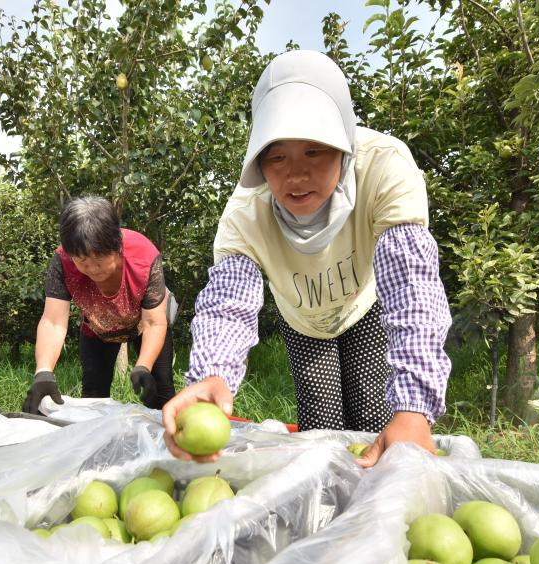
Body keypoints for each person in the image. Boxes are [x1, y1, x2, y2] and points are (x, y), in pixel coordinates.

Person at [162, 50, 452, 466]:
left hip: (361, 309)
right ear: (259, 161)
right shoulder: (247, 212)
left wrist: (414, 408)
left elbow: (412, 286)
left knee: (376, 417)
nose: (295, 174)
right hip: (302, 321)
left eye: (315, 151)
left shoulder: (383, 168)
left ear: (344, 146)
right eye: (277, 156)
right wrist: (213, 374)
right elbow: (228, 305)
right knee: (320, 429)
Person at [22, 196, 175, 414]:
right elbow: (53, 321)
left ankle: (166, 445)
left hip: (145, 326)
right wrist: (44, 372)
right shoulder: (62, 261)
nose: (93, 269)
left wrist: (143, 366)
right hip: (97, 329)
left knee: (162, 393)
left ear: (117, 245)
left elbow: (154, 322)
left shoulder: (144, 256)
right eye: (82, 261)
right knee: (93, 396)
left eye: (100, 259)